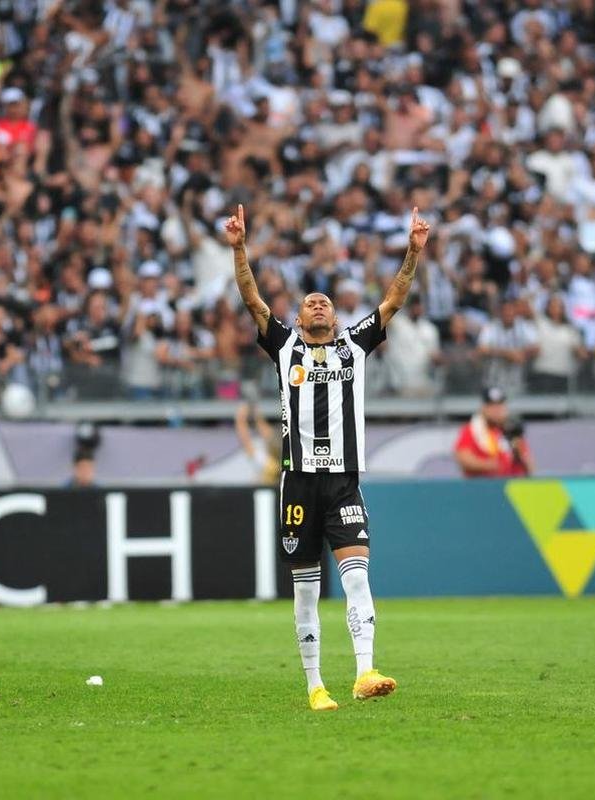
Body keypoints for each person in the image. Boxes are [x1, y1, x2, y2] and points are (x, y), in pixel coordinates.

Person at [225, 203, 430, 712]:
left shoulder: (354, 346)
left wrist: (412, 253)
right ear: (297, 319)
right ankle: (316, 685)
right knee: (305, 593)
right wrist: (239, 249)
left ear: (336, 317)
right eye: (309, 303)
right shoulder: (284, 345)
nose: (318, 305)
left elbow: (394, 300)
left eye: (325, 303)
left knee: (357, 575)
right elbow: (251, 297)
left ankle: (365, 672)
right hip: (297, 484)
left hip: (343, 481)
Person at [453, 387, 532, 477]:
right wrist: (489, 465)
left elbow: (530, 466)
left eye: (499, 405)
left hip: (510, 485)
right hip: (482, 487)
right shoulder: (473, 429)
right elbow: (463, 458)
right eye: (491, 406)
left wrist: (520, 454)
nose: (496, 410)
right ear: (483, 408)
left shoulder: (511, 430)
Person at [234, 399, 280, 485]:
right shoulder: (279, 461)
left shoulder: (269, 464)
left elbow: (245, 439)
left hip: (262, 489)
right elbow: (269, 435)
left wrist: (240, 417)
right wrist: (257, 415)